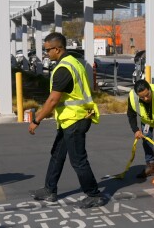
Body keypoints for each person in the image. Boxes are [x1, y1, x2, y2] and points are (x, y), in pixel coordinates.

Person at [28, 32, 105, 208]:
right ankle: (49, 190)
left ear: (58, 48)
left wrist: (36, 119)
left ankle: (94, 195)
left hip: (75, 119)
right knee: (57, 155)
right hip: (71, 118)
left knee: (78, 160)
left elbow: (53, 100)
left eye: (48, 50)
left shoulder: (63, 69)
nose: (46, 53)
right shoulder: (74, 62)